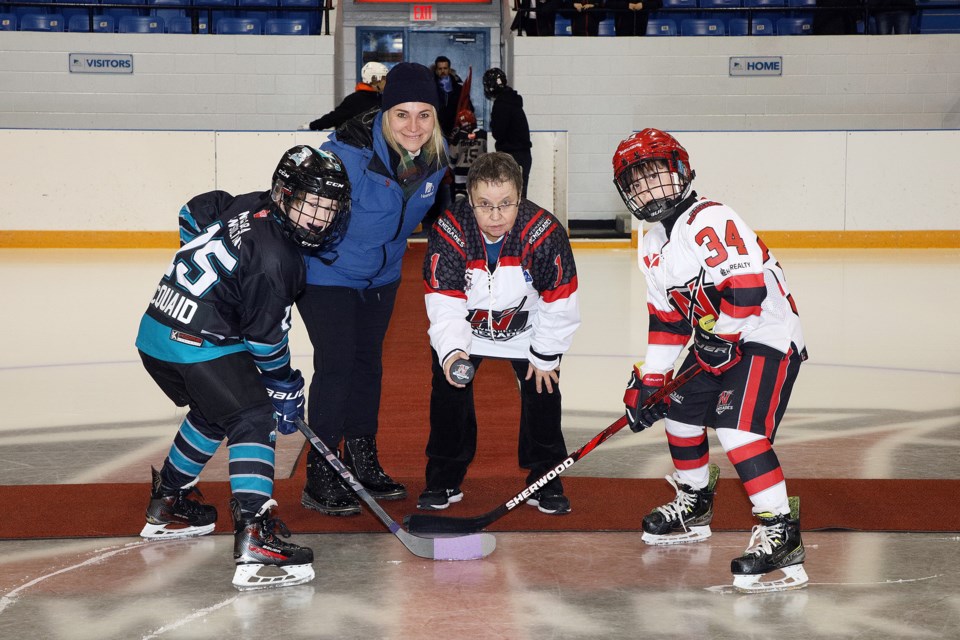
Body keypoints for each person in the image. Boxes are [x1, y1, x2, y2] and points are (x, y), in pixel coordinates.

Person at [135, 145, 352, 590]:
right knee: (253, 416)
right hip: (194, 341)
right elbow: (265, 339)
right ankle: (256, 532)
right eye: (310, 203)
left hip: (157, 329)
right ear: (285, 196)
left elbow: (196, 209)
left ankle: (168, 502)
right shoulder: (279, 260)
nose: (319, 217)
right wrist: (286, 386)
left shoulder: (254, 203)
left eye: (328, 206)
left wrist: (203, 280)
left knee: (217, 412)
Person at [611, 129, 809, 594]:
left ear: (681, 172)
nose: (648, 189)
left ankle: (782, 533)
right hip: (717, 340)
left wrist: (724, 337)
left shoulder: (710, 218)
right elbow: (667, 319)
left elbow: (747, 292)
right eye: (636, 182)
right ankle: (695, 501)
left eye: (656, 175)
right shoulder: (650, 242)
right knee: (678, 415)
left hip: (765, 336)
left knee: (739, 431)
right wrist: (652, 382)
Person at [298, 62, 449, 517]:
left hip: (382, 277)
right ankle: (321, 473)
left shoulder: (435, 162)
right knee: (337, 367)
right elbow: (306, 217)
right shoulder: (347, 156)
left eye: (424, 114)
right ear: (385, 112)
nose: (414, 126)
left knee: (368, 367)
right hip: (329, 274)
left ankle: (362, 460)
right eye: (402, 114)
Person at [418, 152, 580, 515]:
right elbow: (444, 301)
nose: (495, 216)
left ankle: (545, 478)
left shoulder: (543, 232)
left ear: (519, 198)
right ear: (469, 199)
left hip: (528, 330)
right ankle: (443, 476)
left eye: (505, 204)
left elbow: (560, 299)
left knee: (543, 390)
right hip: (467, 330)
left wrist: (546, 354)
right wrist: (452, 352)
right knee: (448, 390)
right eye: (484, 205)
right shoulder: (450, 229)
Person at [482, 68, 533, 199]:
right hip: (522, 154)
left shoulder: (501, 104)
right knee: (519, 193)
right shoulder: (513, 101)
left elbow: (498, 132)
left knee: (510, 195)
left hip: (512, 155)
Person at [306, 61, 388, 131]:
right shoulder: (355, 100)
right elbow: (335, 117)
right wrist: (312, 126)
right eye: (383, 78)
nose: (386, 82)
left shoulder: (382, 98)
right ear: (374, 79)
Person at [448, 108, 488, 202]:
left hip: (460, 172)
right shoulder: (483, 134)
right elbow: (489, 154)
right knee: (477, 196)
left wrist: (454, 169)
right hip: (478, 171)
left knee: (460, 197)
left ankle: (459, 215)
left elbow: (451, 157)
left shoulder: (458, 137)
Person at [433, 56, 473, 139]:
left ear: (449, 69)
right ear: (436, 70)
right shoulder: (431, 88)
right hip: (436, 131)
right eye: (440, 69)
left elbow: (469, 107)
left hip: (455, 132)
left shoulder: (459, 88)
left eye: (445, 68)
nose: (443, 71)